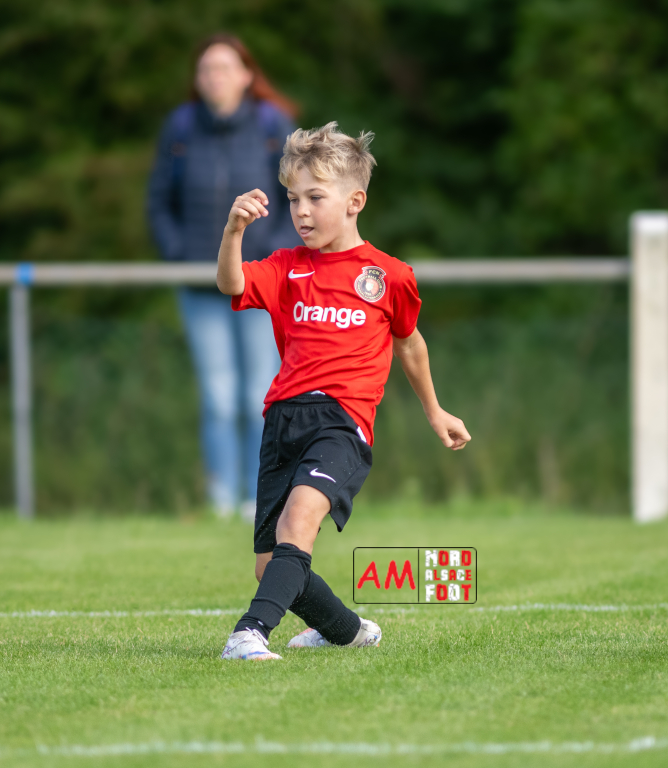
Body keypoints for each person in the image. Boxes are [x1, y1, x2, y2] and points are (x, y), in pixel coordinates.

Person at [214, 123, 472, 660]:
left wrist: (435, 410)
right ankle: (349, 631)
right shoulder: (286, 267)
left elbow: (410, 344)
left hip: (342, 423)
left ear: (355, 201)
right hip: (282, 420)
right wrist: (234, 230)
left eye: (315, 198)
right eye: (293, 199)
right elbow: (232, 284)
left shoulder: (389, 276)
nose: (301, 211)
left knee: (299, 522)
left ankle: (249, 632)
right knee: (271, 564)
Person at [147, 34, 300, 521]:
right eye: (206, 69)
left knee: (258, 394)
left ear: (246, 75)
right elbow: (158, 202)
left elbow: (297, 199)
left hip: (259, 283)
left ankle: (259, 496)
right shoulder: (181, 127)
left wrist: (272, 259)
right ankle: (220, 500)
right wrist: (180, 254)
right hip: (200, 284)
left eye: (224, 68)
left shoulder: (273, 126)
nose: (214, 77)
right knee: (218, 396)